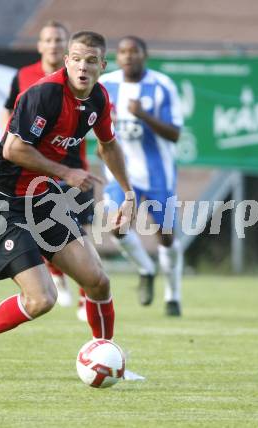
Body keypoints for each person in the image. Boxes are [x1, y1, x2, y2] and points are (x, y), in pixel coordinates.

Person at [0, 31, 136, 381]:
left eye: (91, 60)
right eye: (76, 58)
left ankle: (106, 358)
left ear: (102, 66)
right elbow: (13, 149)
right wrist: (65, 172)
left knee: (98, 281)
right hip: (2, 199)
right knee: (40, 300)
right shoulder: (43, 94)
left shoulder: (99, 99)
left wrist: (129, 193)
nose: (83, 66)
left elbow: (108, 145)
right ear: (67, 61)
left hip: (42, 199)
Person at [2, 20, 92, 318]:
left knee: (81, 229)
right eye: (49, 39)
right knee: (42, 225)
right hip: (34, 168)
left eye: (59, 40)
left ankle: (86, 297)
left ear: (66, 48)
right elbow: (9, 110)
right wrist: (8, 140)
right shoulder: (25, 77)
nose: (53, 44)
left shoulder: (80, 80)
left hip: (72, 164)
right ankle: (56, 276)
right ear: (40, 45)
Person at [99, 36, 183, 316]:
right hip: (120, 174)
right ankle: (145, 269)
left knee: (167, 238)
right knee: (117, 226)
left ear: (144, 55)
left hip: (158, 173)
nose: (128, 56)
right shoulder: (106, 85)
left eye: (134, 51)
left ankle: (173, 295)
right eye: (122, 52)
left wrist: (144, 115)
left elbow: (174, 133)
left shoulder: (162, 86)